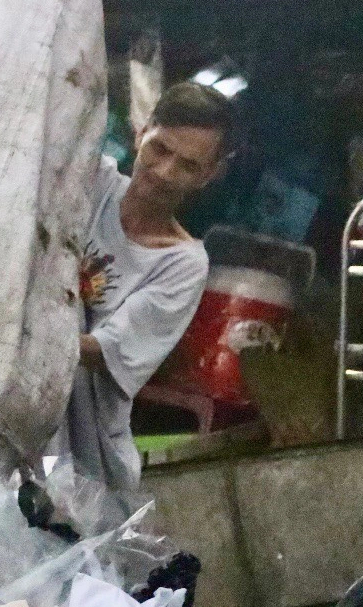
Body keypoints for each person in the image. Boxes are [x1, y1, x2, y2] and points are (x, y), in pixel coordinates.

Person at [54, 80, 231, 491]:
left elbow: (103, 350)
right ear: (140, 133)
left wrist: (15, 334)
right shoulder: (90, 181)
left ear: (210, 175)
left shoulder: (182, 264)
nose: (165, 172)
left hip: (87, 460)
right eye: (160, 149)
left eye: (188, 165)